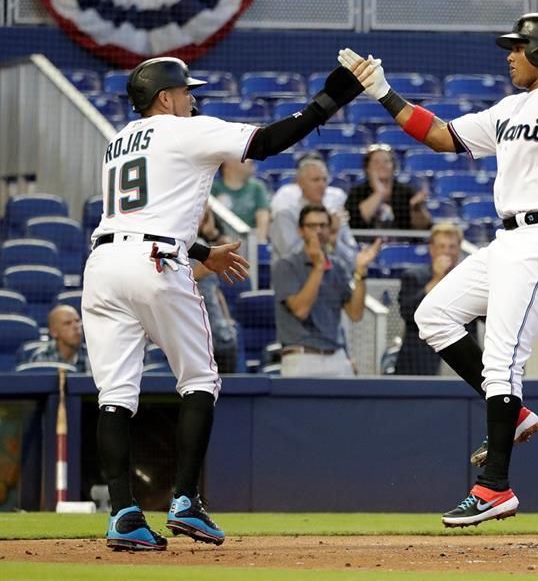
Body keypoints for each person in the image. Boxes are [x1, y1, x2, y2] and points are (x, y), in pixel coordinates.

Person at [82, 56, 364, 550]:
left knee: (115, 396)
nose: (192, 98)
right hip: (154, 262)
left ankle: (124, 513)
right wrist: (330, 100)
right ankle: (185, 501)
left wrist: (201, 250)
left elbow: (139, 215)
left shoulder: (115, 142)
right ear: (164, 98)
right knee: (199, 379)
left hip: (104, 265)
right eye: (186, 91)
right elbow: (268, 142)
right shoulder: (183, 129)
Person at [339, 12, 538, 527]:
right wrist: (385, 93)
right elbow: (440, 135)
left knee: (503, 358)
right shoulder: (509, 107)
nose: (509, 54)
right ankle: (514, 413)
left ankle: (494, 487)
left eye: (518, 46)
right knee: (433, 315)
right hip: (510, 237)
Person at [272, 205, 380, 377]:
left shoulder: (338, 266)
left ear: (330, 230)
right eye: (312, 226)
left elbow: (355, 313)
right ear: (301, 231)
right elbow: (301, 310)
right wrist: (319, 267)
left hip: (336, 356)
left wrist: (360, 271)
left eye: (323, 226)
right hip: (301, 356)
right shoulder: (287, 266)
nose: (318, 231)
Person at [394, 222, 463, 376]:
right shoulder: (413, 277)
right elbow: (409, 313)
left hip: (461, 360)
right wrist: (437, 278)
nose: (447, 252)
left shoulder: (467, 280)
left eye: (452, 246)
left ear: (459, 249)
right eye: (442, 246)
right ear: (432, 249)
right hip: (419, 363)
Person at [270, 155, 358, 270]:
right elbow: (291, 256)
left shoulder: (335, 216)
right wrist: (327, 234)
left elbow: (353, 260)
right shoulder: (286, 216)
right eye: (316, 180)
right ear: (300, 183)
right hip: (295, 283)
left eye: (324, 180)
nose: (322, 185)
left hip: (332, 283)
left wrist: (334, 241)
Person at [192, 206, 238, 374]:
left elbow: (216, 291)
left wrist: (226, 322)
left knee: (228, 393)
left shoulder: (204, 244)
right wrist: (205, 266)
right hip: (194, 332)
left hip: (219, 332)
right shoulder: (173, 245)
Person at [344, 144, 432, 230]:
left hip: (401, 243)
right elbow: (354, 223)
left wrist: (416, 208)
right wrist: (379, 193)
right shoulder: (357, 192)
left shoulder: (406, 192)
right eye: (376, 162)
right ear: (367, 168)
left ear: (393, 166)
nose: (382, 166)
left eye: (386, 161)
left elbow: (422, 228)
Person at [211, 159, 270, 242]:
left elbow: (262, 219)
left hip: (249, 243)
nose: (250, 160)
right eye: (244, 157)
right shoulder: (212, 189)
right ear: (227, 162)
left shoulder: (257, 187)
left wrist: (259, 244)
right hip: (219, 244)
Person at [27, 305, 90, 372]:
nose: (76, 326)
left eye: (77, 321)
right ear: (54, 332)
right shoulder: (41, 358)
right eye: (67, 323)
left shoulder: (91, 355)